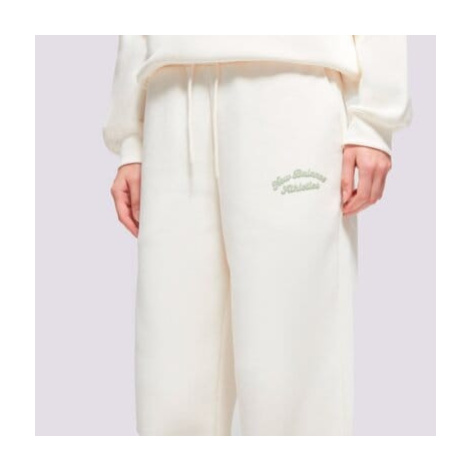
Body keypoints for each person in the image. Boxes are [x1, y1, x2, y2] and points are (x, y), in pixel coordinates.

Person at [102, 35, 412, 436]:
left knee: (290, 363)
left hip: (291, 78)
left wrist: (374, 118)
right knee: (171, 368)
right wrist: (132, 136)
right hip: (170, 89)